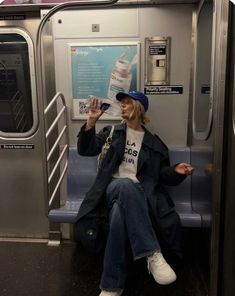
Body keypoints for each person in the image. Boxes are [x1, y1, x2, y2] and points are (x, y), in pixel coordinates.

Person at [76, 91, 194, 296]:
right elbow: (85, 149)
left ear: (140, 107)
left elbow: (162, 175)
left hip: (140, 197)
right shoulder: (112, 133)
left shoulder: (155, 144)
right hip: (111, 190)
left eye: (128, 103)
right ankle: (152, 253)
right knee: (124, 185)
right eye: (122, 103)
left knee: (118, 217)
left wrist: (176, 171)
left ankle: (111, 287)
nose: (123, 106)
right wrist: (90, 123)